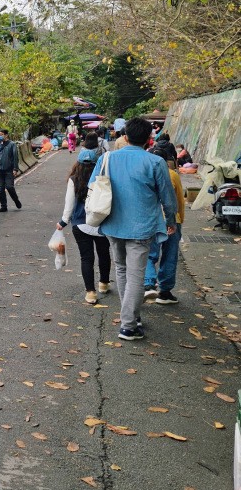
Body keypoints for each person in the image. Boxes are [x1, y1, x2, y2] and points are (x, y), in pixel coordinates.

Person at [89, 117, 178, 341]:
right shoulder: (155, 162)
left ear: (125, 136)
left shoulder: (107, 158)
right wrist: (171, 221)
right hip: (142, 225)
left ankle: (133, 316)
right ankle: (128, 325)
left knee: (121, 269)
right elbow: (167, 197)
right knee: (136, 275)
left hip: (112, 223)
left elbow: (93, 185)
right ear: (150, 139)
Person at [58, 150, 111, 304]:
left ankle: (91, 293)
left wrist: (63, 221)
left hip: (81, 224)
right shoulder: (103, 178)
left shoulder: (74, 179)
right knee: (104, 254)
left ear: (78, 163)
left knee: (86, 258)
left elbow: (69, 204)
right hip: (102, 222)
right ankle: (104, 284)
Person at [143, 142, 186, 304]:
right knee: (169, 256)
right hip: (172, 221)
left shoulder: (145, 173)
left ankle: (148, 285)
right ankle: (165, 292)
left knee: (149, 253)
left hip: (151, 220)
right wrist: (179, 220)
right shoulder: (173, 175)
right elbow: (179, 201)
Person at [0, 129, 22, 212]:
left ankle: (16, 200)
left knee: (9, 187)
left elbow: (15, 156)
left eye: (1, 134)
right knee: (1, 189)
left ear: (6, 135)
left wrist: (15, 168)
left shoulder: (12, 144)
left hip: (9, 170)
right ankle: (3, 206)